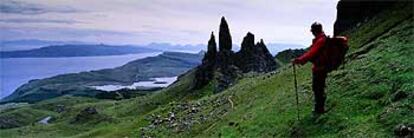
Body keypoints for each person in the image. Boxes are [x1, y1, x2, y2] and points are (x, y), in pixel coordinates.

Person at [292, 22, 328, 115]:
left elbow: (311, 53)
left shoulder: (320, 41)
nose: (312, 32)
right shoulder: (322, 39)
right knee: (319, 88)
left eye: (312, 31)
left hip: (320, 68)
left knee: (317, 88)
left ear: (315, 30)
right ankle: (320, 108)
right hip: (321, 67)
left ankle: (319, 110)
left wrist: (298, 60)